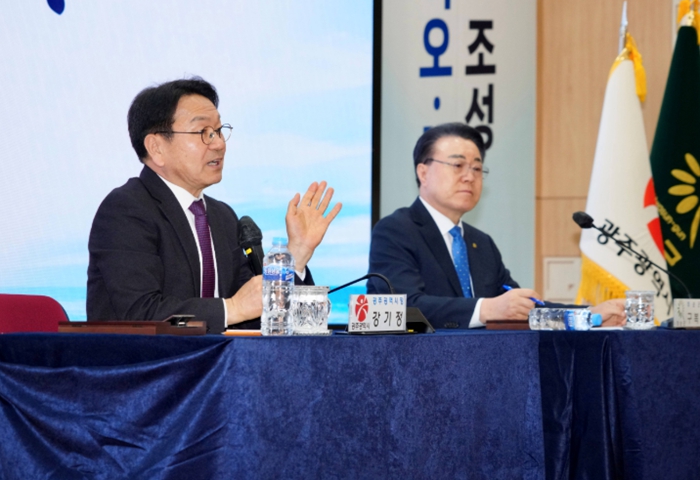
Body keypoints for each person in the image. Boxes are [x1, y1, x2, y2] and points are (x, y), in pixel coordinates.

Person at [87, 77, 341, 333]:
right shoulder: (126, 210)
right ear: (156, 148)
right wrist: (232, 308)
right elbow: (142, 316)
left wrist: (297, 254)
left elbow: (259, 318)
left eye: (218, 131)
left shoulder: (222, 218)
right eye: (203, 133)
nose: (219, 144)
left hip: (219, 359)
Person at [367, 122, 624, 329]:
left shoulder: (481, 243)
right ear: (423, 173)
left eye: (477, 168)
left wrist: (589, 315)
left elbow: (525, 308)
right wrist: (488, 309)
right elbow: (402, 309)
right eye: (458, 165)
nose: (469, 176)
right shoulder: (396, 231)